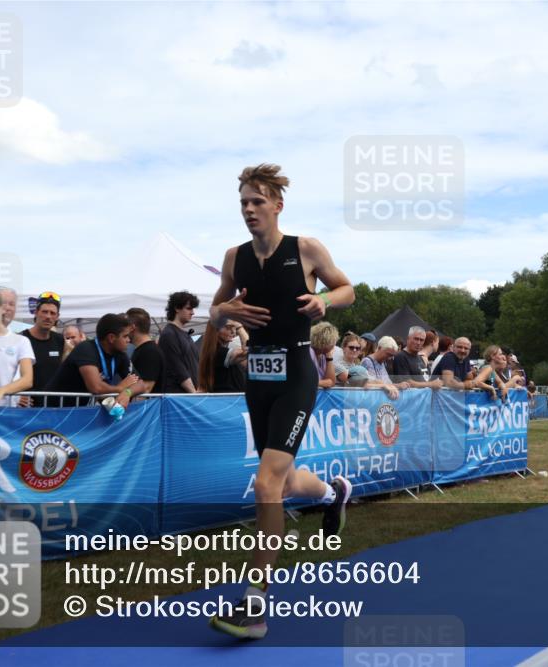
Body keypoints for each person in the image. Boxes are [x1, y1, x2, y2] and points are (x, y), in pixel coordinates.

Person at [206, 163, 355, 640]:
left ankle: (255, 605)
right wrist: (223, 311)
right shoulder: (234, 258)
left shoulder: (305, 248)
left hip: (296, 374)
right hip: (259, 376)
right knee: (286, 477)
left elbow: (347, 288)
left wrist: (324, 303)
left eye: (257, 202)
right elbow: (214, 312)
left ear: (277, 206)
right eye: (243, 203)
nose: (249, 210)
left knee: (266, 483)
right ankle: (333, 494)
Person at [45, 313, 146, 407]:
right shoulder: (86, 349)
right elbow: (96, 387)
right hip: (54, 409)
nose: (128, 340)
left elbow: (141, 384)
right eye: (125, 336)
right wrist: (120, 388)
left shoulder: (120, 354)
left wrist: (127, 393)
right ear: (111, 338)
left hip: (77, 409)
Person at [19, 292, 65, 406]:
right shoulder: (21, 339)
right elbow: (7, 372)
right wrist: (15, 396)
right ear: (36, 313)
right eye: (44, 312)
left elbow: (68, 367)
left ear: (57, 317)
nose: (48, 316)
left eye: (52, 313)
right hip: (28, 409)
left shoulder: (60, 340)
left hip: (53, 408)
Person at [158, 291, 201, 393]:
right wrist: (194, 393)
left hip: (188, 397)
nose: (193, 312)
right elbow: (178, 370)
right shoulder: (169, 334)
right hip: (178, 398)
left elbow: (194, 366)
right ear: (177, 308)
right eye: (188, 308)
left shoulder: (185, 335)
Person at [198, 321, 247, 393]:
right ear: (216, 330)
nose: (233, 332)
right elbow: (249, 350)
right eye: (228, 328)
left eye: (234, 328)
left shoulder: (216, 352)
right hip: (227, 400)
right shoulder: (218, 353)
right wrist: (239, 327)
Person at [126, 308, 165, 394]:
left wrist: (126, 395)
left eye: (125, 326)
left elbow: (146, 388)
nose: (124, 330)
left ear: (132, 327)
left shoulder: (150, 351)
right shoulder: (144, 349)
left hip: (146, 406)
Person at [310, 321, 340, 389]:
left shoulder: (323, 355)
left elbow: (331, 382)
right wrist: (325, 383)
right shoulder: (309, 352)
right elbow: (307, 382)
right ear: (325, 342)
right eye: (333, 341)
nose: (334, 345)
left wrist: (329, 358)